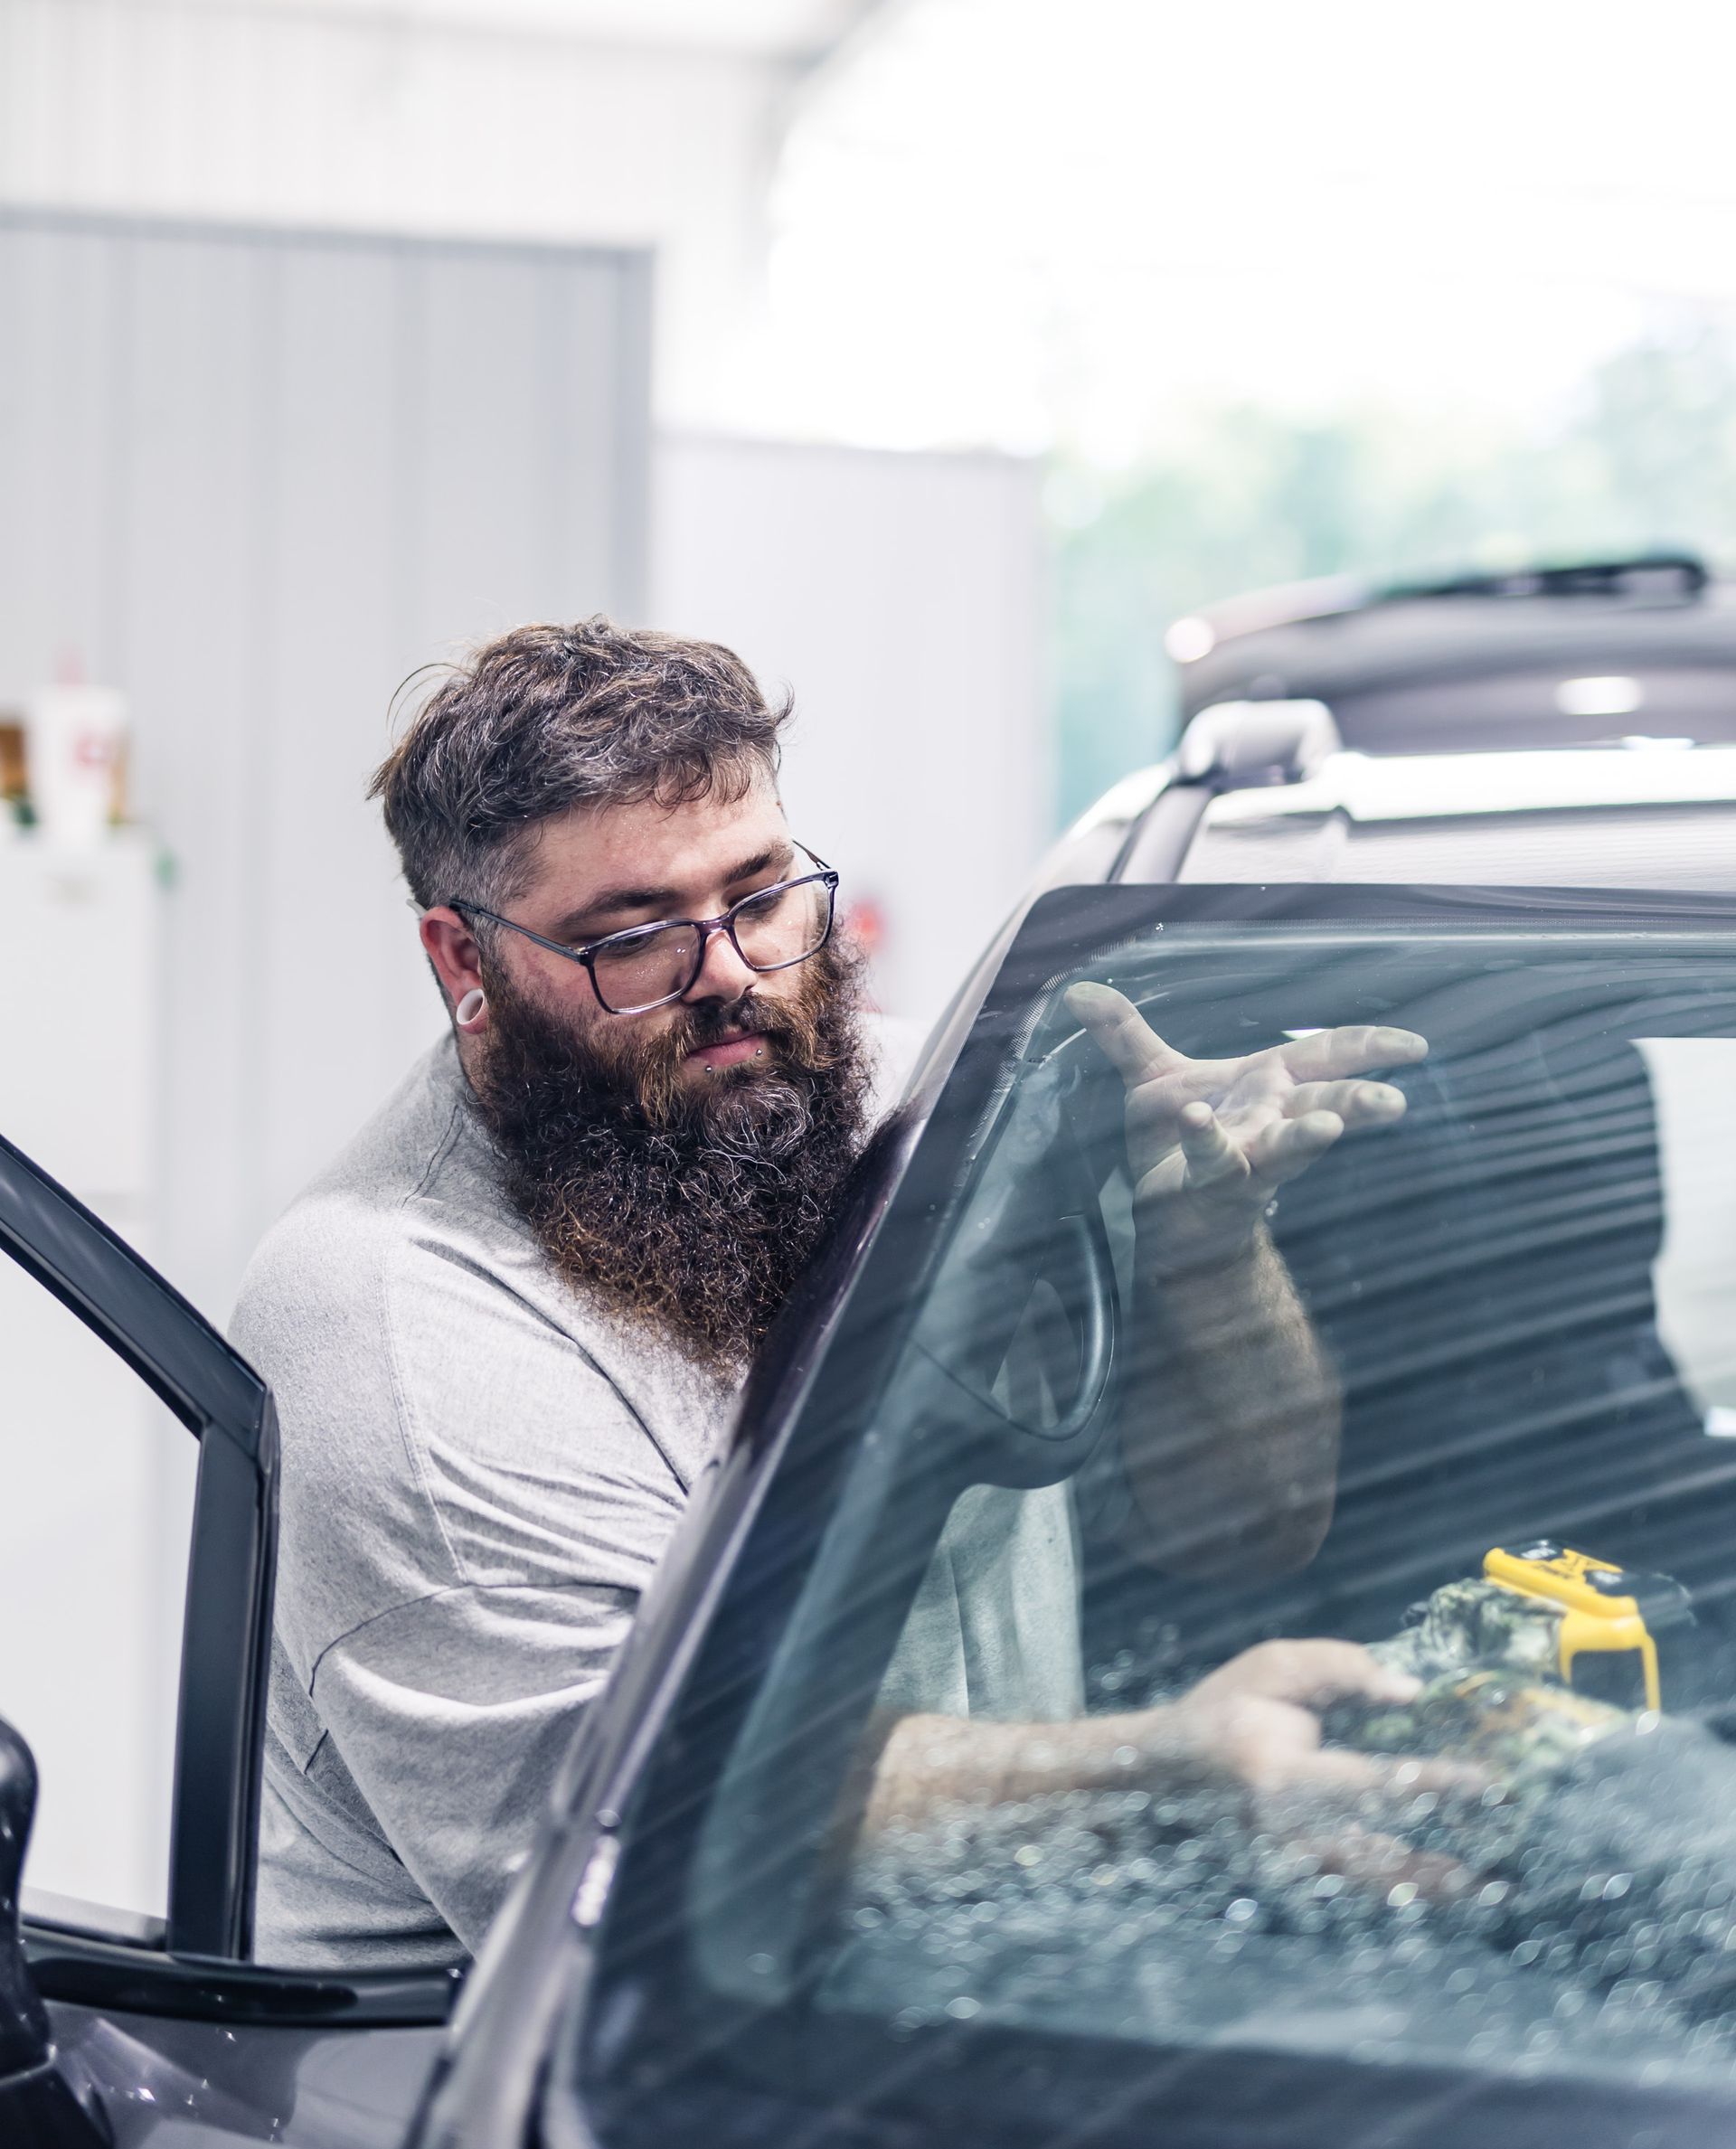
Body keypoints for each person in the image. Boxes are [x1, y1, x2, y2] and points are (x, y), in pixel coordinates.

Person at [233, 620, 1433, 1970]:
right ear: (467, 964)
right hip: (507, 2100)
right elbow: (629, 1858)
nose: (734, 976)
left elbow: (1252, 1530)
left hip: (953, 1990)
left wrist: (1204, 1241)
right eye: (633, 940)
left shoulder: (944, 1113)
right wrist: (1151, 1771)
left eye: (759, 895)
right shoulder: (399, 1320)